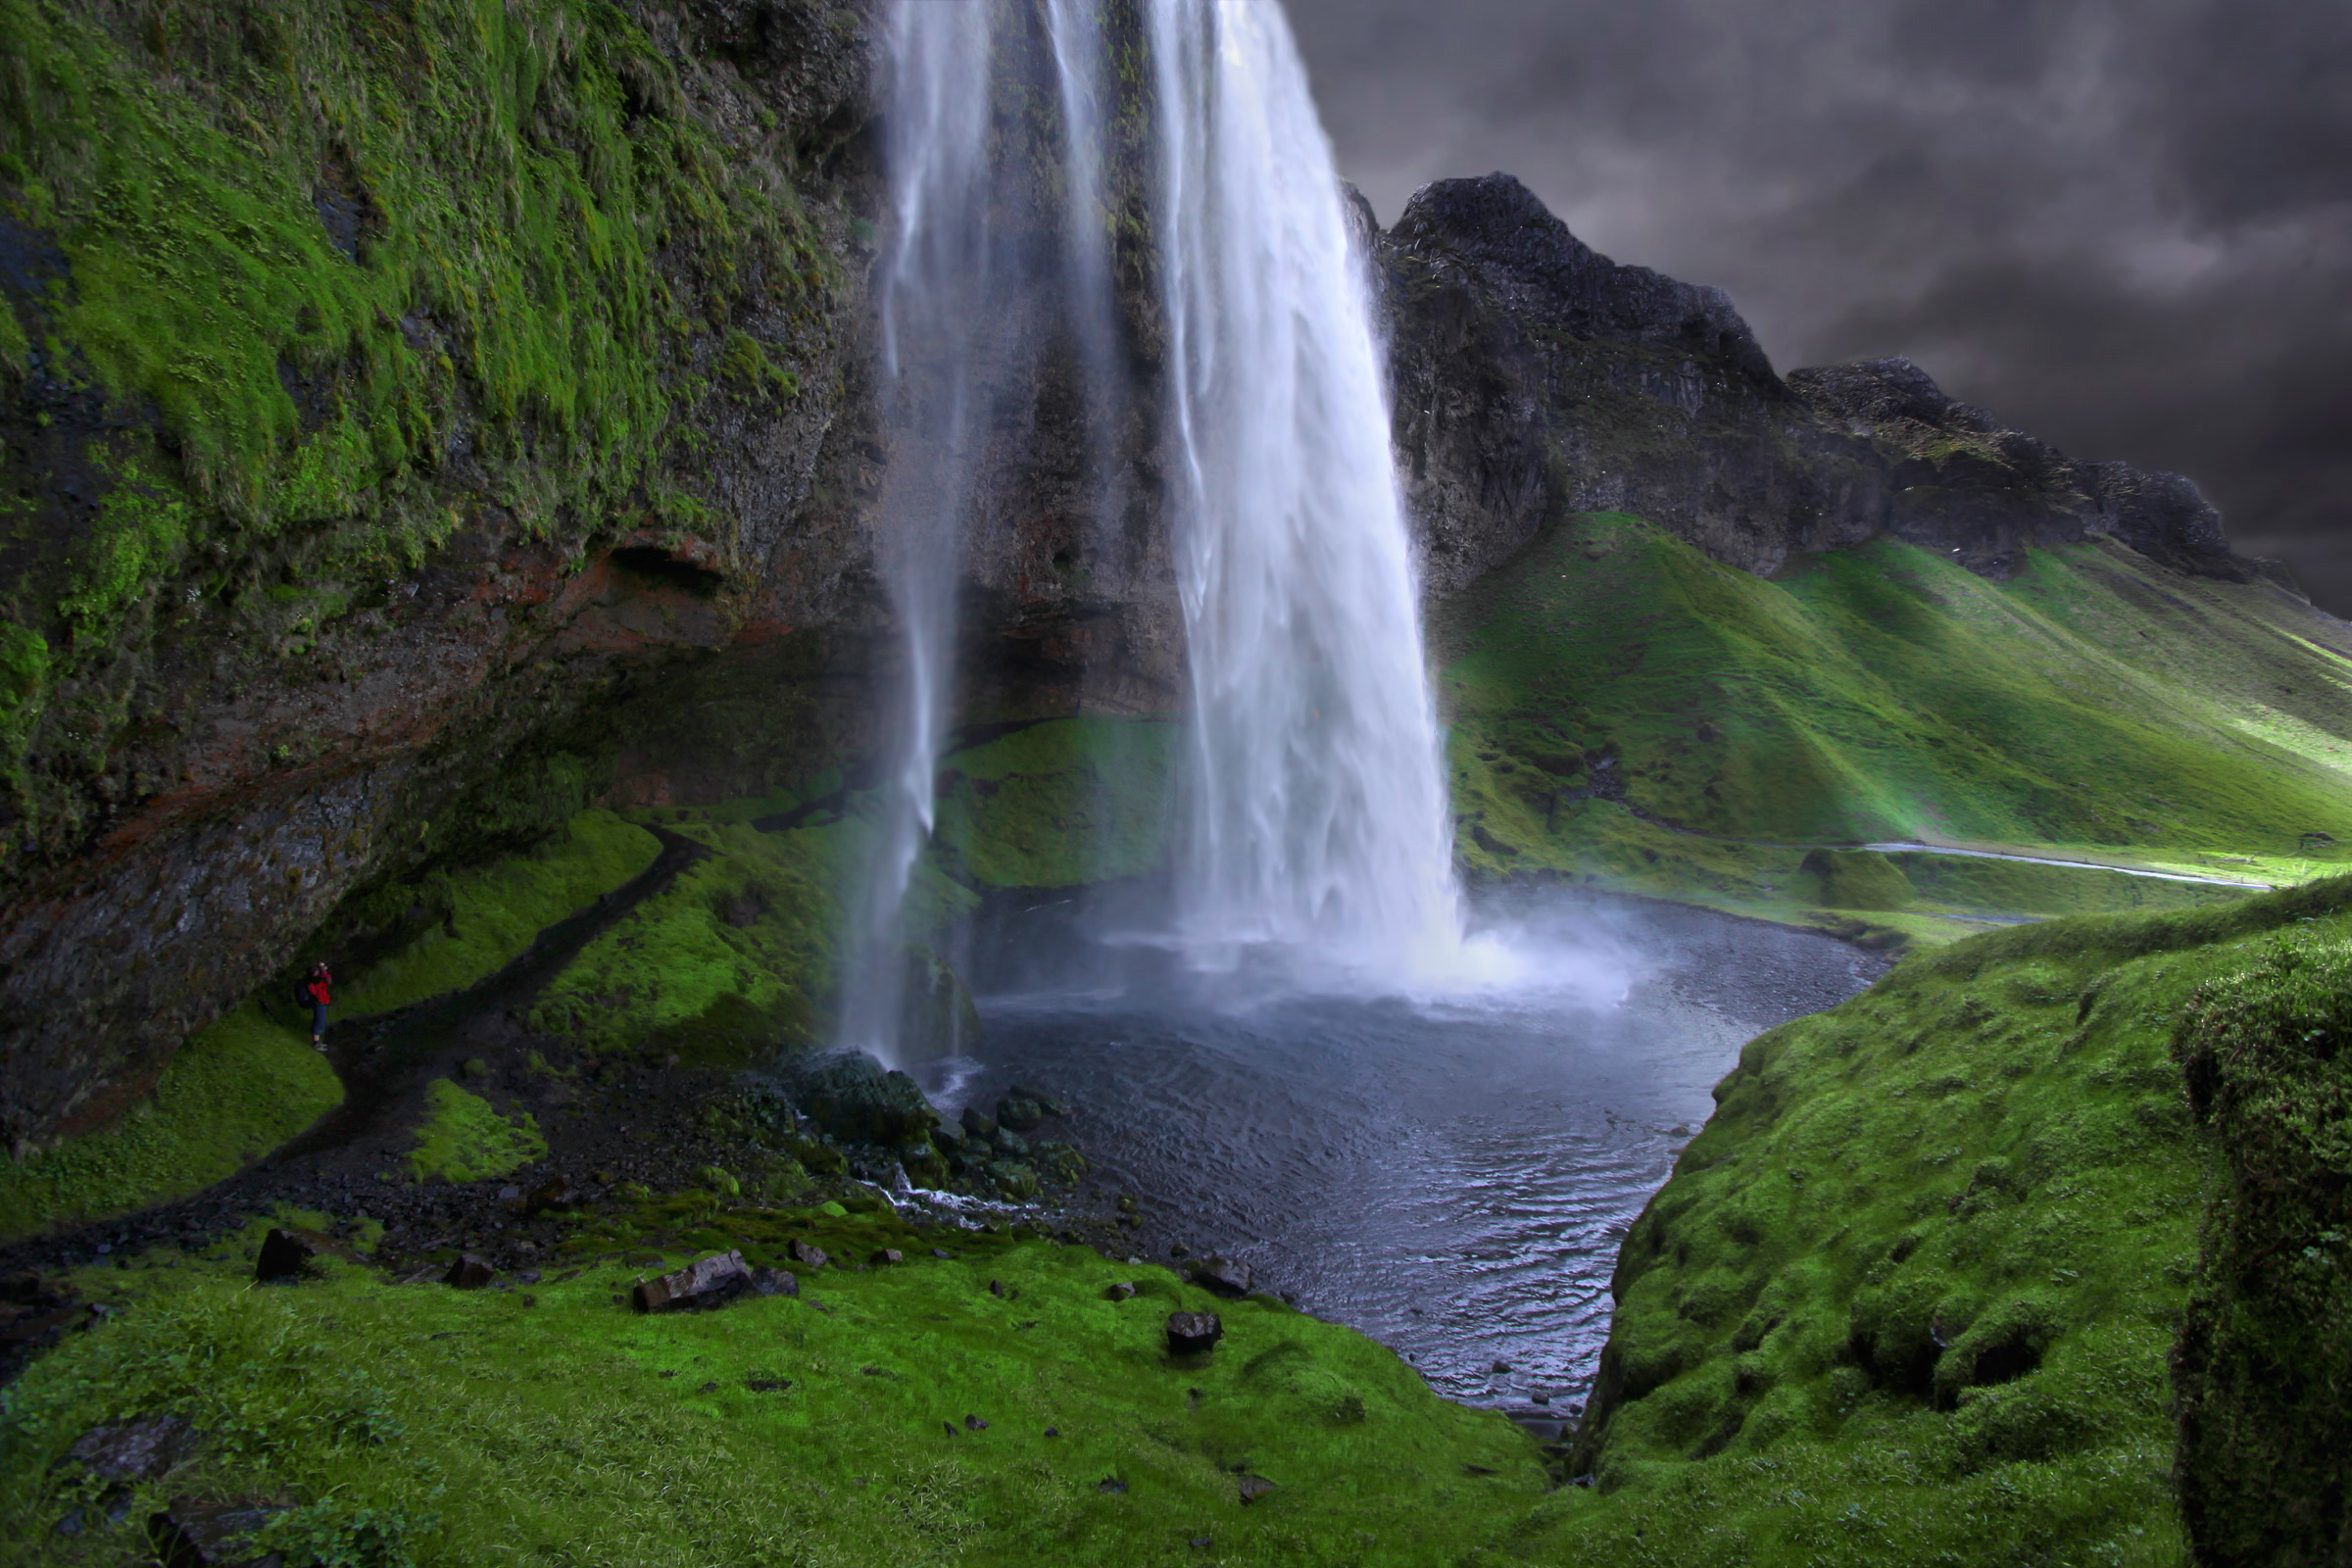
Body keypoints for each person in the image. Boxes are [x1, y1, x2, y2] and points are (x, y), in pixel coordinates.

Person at [306, 961, 333, 1050]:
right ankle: (316, 1043)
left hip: (323, 1002)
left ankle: (317, 1042)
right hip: (319, 1003)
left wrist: (323, 971)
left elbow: (328, 981)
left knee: (320, 1021)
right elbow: (315, 989)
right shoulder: (312, 981)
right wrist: (323, 971)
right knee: (319, 1022)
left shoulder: (318, 979)